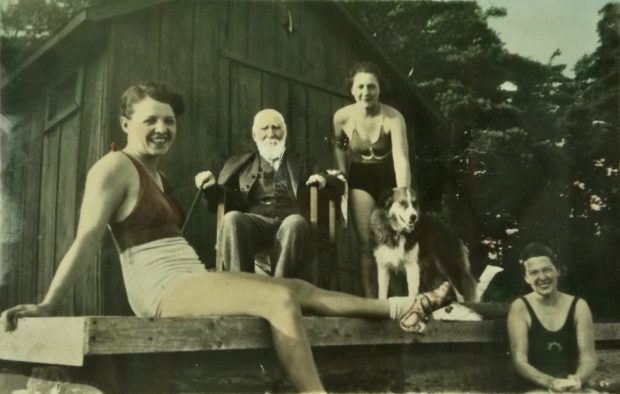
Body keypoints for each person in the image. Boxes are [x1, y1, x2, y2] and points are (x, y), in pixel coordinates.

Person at [1, 82, 450, 393]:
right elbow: (85, 239)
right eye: (151, 120)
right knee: (279, 301)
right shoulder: (114, 168)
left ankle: (403, 306)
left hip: (187, 275)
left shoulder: (154, 172)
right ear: (125, 122)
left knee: (296, 287)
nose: (162, 129)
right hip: (162, 288)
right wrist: (49, 304)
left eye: (170, 122)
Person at [194, 109, 342, 278]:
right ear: (254, 134)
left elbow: (334, 181)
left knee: (295, 222)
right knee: (232, 218)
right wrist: (211, 187)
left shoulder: (302, 162)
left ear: (285, 132)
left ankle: (280, 288)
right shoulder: (239, 164)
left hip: (291, 224)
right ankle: (241, 286)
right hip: (254, 226)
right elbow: (218, 201)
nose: (271, 133)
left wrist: (322, 178)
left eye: (276, 127)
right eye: (264, 128)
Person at [333, 61, 412, 298]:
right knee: (367, 243)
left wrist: (402, 194)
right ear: (351, 89)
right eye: (360, 87)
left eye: (371, 87)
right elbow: (340, 147)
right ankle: (370, 300)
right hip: (360, 178)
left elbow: (400, 158)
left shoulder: (393, 118)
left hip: (388, 179)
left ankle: (399, 299)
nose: (365, 92)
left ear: (379, 89)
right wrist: (341, 176)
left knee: (393, 241)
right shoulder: (342, 118)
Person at [507, 243, 597, 393]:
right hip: (536, 386)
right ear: (527, 278)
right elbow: (519, 361)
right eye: (534, 272)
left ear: (558, 271)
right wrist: (550, 382)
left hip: (571, 385)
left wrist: (577, 380)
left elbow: (588, 358)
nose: (542, 277)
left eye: (547, 270)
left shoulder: (579, 306)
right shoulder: (520, 307)